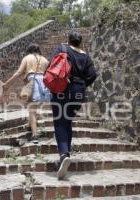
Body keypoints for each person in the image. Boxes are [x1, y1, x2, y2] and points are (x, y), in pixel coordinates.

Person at [50, 32, 98, 179]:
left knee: (60, 122)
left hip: (63, 89)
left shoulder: (63, 49)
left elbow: (52, 66)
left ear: (69, 40)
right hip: (78, 91)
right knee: (67, 121)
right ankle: (66, 154)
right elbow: (93, 75)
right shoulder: (86, 56)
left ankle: (64, 154)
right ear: (80, 42)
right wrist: (82, 84)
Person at [4, 43, 50, 143]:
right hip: (44, 83)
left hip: (32, 83)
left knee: (32, 110)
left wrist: (7, 83)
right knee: (35, 107)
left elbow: (19, 72)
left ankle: (34, 135)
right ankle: (30, 126)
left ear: (29, 50)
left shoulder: (27, 58)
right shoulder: (45, 60)